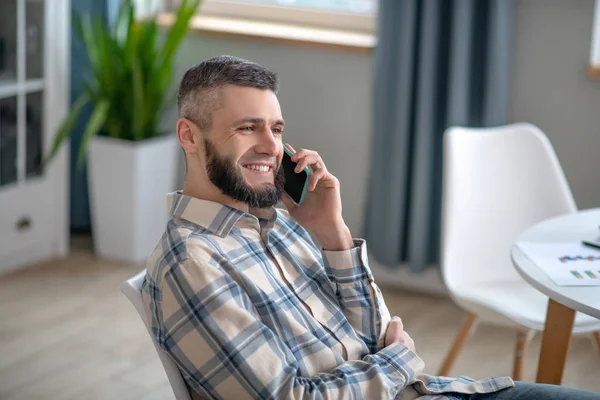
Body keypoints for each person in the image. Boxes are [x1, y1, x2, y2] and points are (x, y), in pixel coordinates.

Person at [141, 55, 599, 399]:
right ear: (189, 136)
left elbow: (374, 332)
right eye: (248, 128)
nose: (271, 147)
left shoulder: (280, 224)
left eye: (277, 130)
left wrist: (332, 232)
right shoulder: (192, 260)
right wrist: (398, 361)